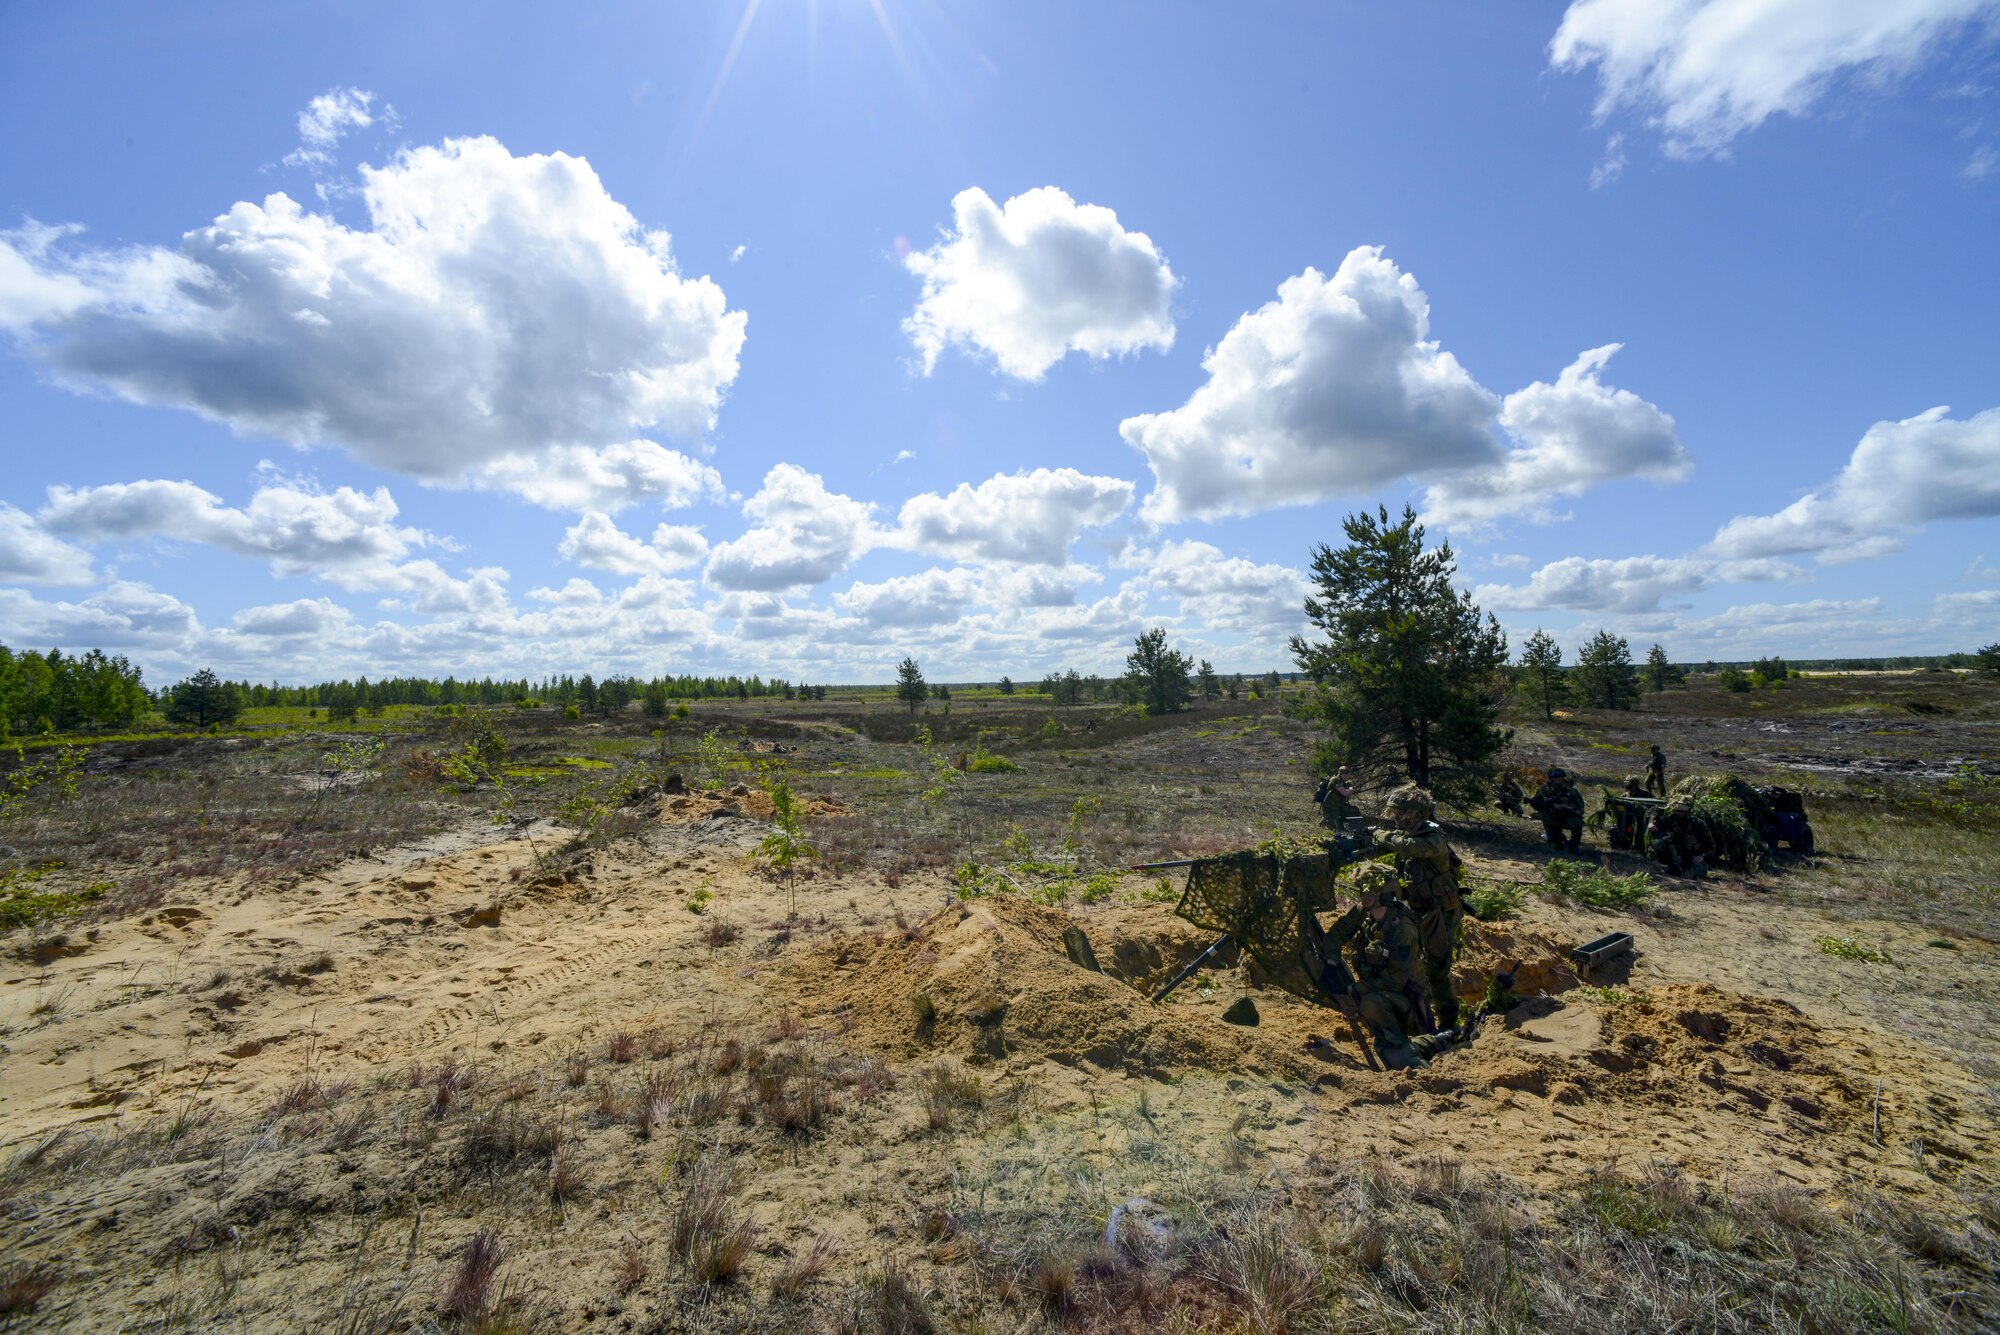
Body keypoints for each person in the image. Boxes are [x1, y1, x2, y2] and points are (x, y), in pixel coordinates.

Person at [1320, 865, 1435, 1070]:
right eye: (1363, 891)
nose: (1364, 896)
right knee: (1370, 1001)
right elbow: (1338, 933)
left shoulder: (1403, 929)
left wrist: (1355, 989)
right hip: (1380, 986)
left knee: (1371, 1003)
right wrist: (1330, 962)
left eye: (1370, 892)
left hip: (1407, 998)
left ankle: (1408, 1061)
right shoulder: (1364, 912)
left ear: (1385, 896)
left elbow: (1395, 980)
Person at [1370, 784, 1462, 1030]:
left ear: (1417, 814)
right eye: (1396, 813)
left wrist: (1379, 834)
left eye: (1402, 813)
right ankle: (1415, 1019)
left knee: (1437, 971)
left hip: (1440, 914)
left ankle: (1450, 1022)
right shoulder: (1411, 834)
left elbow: (1408, 847)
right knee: (1409, 967)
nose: (1397, 818)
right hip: (1417, 909)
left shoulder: (1432, 838)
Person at [1646, 798, 1708, 877]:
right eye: (1677, 810)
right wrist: (1652, 824)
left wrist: (1702, 856)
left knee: (1696, 875)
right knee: (1657, 843)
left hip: (1693, 855)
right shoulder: (1670, 819)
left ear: (1688, 812)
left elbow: (1710, 844)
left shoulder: (1699, 823)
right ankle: (1666, 865)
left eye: (1681, 811)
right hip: (1675, 853)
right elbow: (1654, 817)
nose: (1677, 813)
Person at [1531, 768, 1585, 852]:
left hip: (1567, 817)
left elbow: (1580, 807)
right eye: (1555, 778)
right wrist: (1549, 807)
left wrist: (1569, 809)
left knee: (1577, 822)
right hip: (1551, 819)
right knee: (1556, 846)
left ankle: (1574, 845)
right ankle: (1559, 839)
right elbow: (1536, 803)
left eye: (1560, 778)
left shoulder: (1571, 791)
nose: (1558, 780)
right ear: (1551, 779)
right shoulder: (1544, 790)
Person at [1313, 766, 1360, 831]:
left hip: (1338, 806)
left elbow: (1348, 797)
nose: (1349, 777)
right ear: (1344, 774)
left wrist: (1349, 788)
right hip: (1330, 807)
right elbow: (1345, 793)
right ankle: (1325, 821)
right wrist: (1351, 790)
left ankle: (1356, 828)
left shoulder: (1344, 782)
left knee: (1354, 811)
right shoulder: (1335, 780)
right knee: (1336, 828)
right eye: (1348, 775)